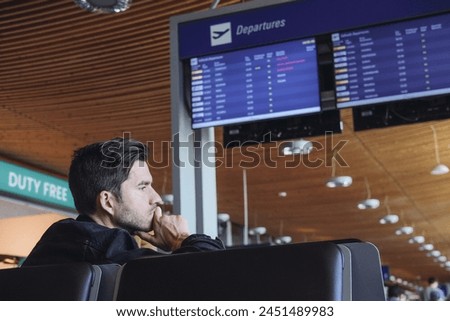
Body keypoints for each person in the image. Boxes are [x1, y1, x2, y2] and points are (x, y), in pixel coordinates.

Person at [22, 137, 224, 266]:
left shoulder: (66, 240)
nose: (157, 199)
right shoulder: (105, 246)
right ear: (108, 202)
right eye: (143, 187)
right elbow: (215, 272)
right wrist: (180, 239)